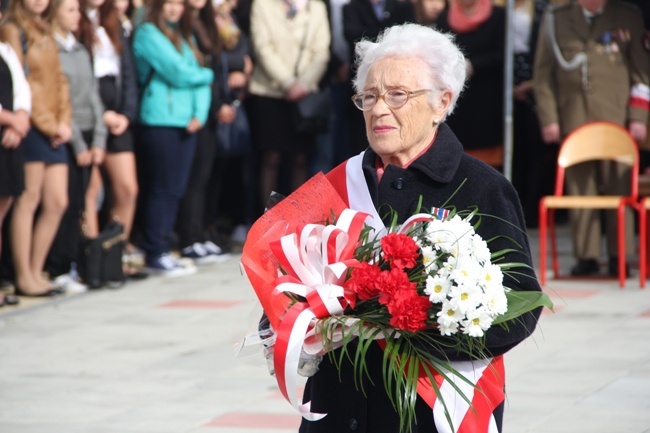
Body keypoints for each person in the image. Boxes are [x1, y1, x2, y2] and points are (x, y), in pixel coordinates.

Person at [297, 23, 542, 433]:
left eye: (397, 95)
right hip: (338, 411)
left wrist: (423, 327)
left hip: (432, 413)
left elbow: (521, 306)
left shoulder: (483, 188)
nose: (378, 109)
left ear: (441, 102)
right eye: (369, 96)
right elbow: (291, 281)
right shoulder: (337, 185)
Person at [533, 0, 650, 276]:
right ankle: (586, 256)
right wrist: (550, 119)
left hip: (617, 118)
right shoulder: (556, 18)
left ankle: (619, 256)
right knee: (580, 188)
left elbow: (642, 72)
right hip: (575, 118)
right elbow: (543, 75)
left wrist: (639, 116)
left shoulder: (627, 16)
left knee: (620, 187)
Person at [132, 0, 214, 276]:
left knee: (177, 188)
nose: (174, 9)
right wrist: (209, 73)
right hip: (159, 120)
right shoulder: (146, 33)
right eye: (169, 3)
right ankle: (155, 250)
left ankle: (165, 247)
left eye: (179, 3)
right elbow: (178, 72)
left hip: (186, 123)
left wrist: (199, 114)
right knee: (161, 188)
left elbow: (199, 83)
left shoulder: (183, 34)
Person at [1, 0, 72, 297]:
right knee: (27, 202)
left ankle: (36, 269)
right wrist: (43, 123)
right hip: (31, 127)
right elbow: (21, 83)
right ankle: (24, 275)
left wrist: (64, 120)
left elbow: (59, 81)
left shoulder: (47, 28)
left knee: (57, 201)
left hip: (52, 124)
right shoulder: (12, 30)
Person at [247, 0, 331, 217]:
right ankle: (266, 219)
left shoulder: (317, 7)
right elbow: (262, 46)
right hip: (269, 92)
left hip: (305, 96)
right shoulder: (262, 5)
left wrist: (302, 85)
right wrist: (287, 83)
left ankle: (297, 219)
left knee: (301, 158)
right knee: (270, 157)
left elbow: (321, 52)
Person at [77, 0, 142, 279]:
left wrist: (126, 114)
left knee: (127, 188)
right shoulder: (74, 19)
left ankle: (116, 253)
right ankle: (92, 261)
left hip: (118, 114)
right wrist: (100, 115)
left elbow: (127, 72)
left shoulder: (113, 20)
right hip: (88, 115)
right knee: (91, 190)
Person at [45, 0, 107, 292]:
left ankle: (79, 263)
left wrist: (98, 140)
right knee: (65, 203)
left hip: (86, 133)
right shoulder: (51, 49)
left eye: (77, 10)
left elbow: (93, 96)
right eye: (69, 10)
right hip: (66, 134)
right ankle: (59, 266)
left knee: (84, 201)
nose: (76, 15)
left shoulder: (80, 49)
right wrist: (80, 144)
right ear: (54, 12)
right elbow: (62, 97)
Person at [175, 0, 232, 264]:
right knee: (191, 179)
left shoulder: (209, 20)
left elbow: (225, 59)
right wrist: (216, 105)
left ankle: (199, 234)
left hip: (211, 110)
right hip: (193, 113)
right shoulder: (179, 24)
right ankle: (188, 237)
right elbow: (195, 72)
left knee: (204, 178)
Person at [436, 0, 506, 169]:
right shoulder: (444, 18)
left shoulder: (499, 16)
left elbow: (503, 54)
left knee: (487, 164)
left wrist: (474, 65)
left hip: (488, 100)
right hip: (457, 100)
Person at [342, 0, 414, 155]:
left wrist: (372, 35)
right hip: (363, 84)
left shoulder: (402, 7)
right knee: (360, 142)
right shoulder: (351, 8)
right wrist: (391, 36)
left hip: (398, 81)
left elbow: (409, 38)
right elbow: (354, 37)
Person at [509, 0, 552, 228]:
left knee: (535, 150)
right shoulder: (502, 6)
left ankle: (531, 210)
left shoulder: (542, 7)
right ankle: (514, 208)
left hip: (534, 73)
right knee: (514, 150)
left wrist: (533, 83)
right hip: (508, 76)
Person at [0, 38, 31, 307]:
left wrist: (20, 119)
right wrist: (11, 119)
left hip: (9, 139)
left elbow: (21, 91)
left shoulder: (6, 50)